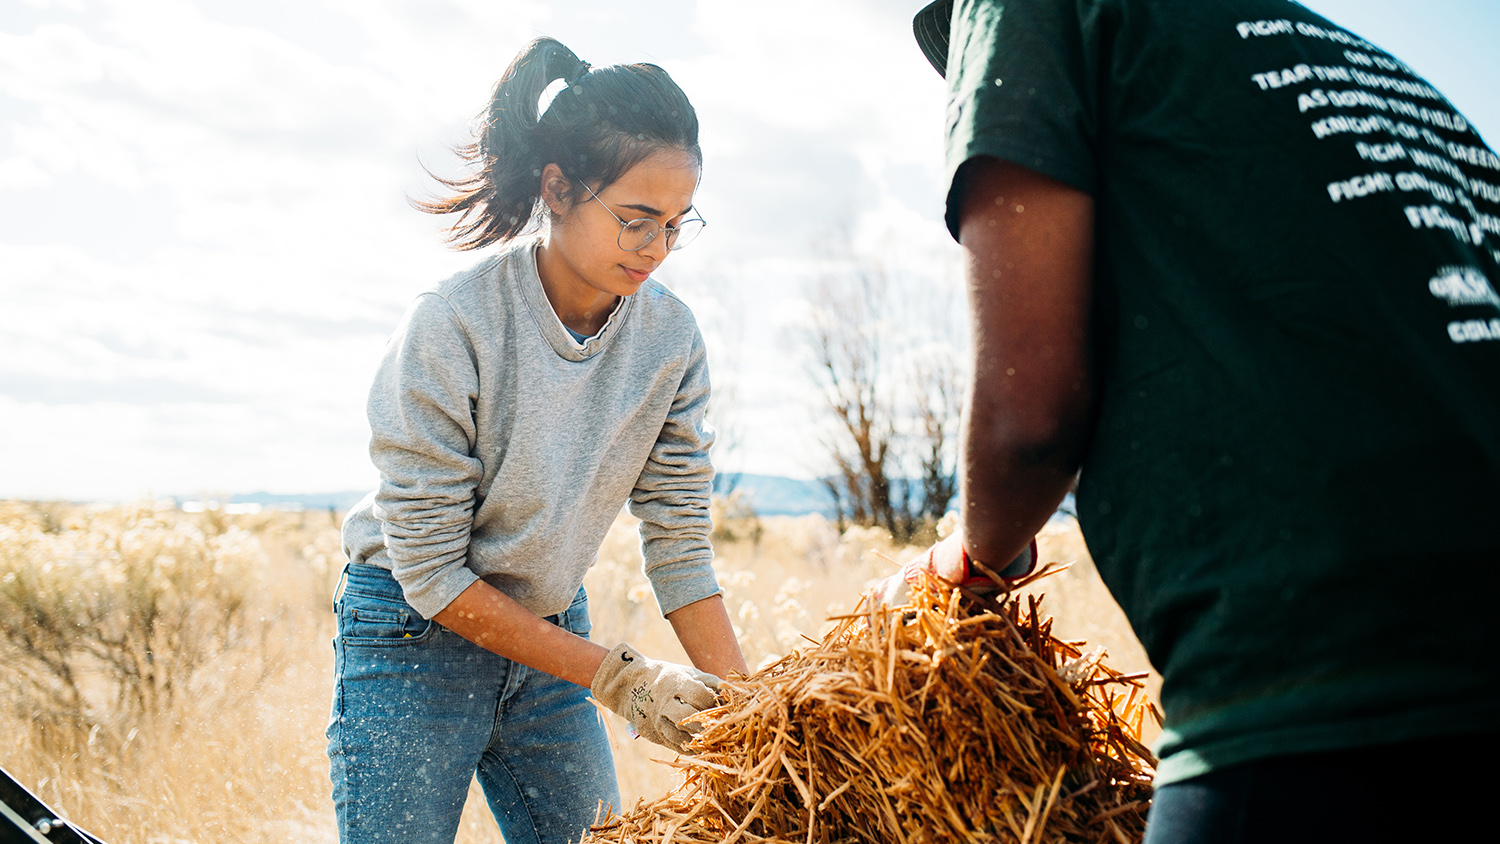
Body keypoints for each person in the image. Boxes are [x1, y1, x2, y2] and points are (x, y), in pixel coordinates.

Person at [902, 0, 1500, 840]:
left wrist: (978, 557)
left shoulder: (1028, 11)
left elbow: (1028, 414)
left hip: (1312, 707)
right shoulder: (1390, 84)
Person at [327, 37, 748, 844]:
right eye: (634, 219)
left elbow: (679, 545)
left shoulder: (670, 341)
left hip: (551, 634)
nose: (656, 247)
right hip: (411, 637)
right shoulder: (453, 326)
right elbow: (431, 573)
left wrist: (759, 718)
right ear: (558, 187)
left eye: (675, 223)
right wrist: (619, 680)